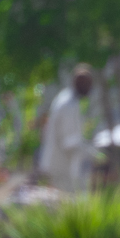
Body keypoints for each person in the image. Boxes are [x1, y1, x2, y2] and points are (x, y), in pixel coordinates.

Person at [38, 65, 96, 194]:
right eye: (88, 84)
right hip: (61, 168)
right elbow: (69, 142)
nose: (90, 88)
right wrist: (93, 153)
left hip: (61, 166)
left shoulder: (67, 99)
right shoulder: (68, 104)